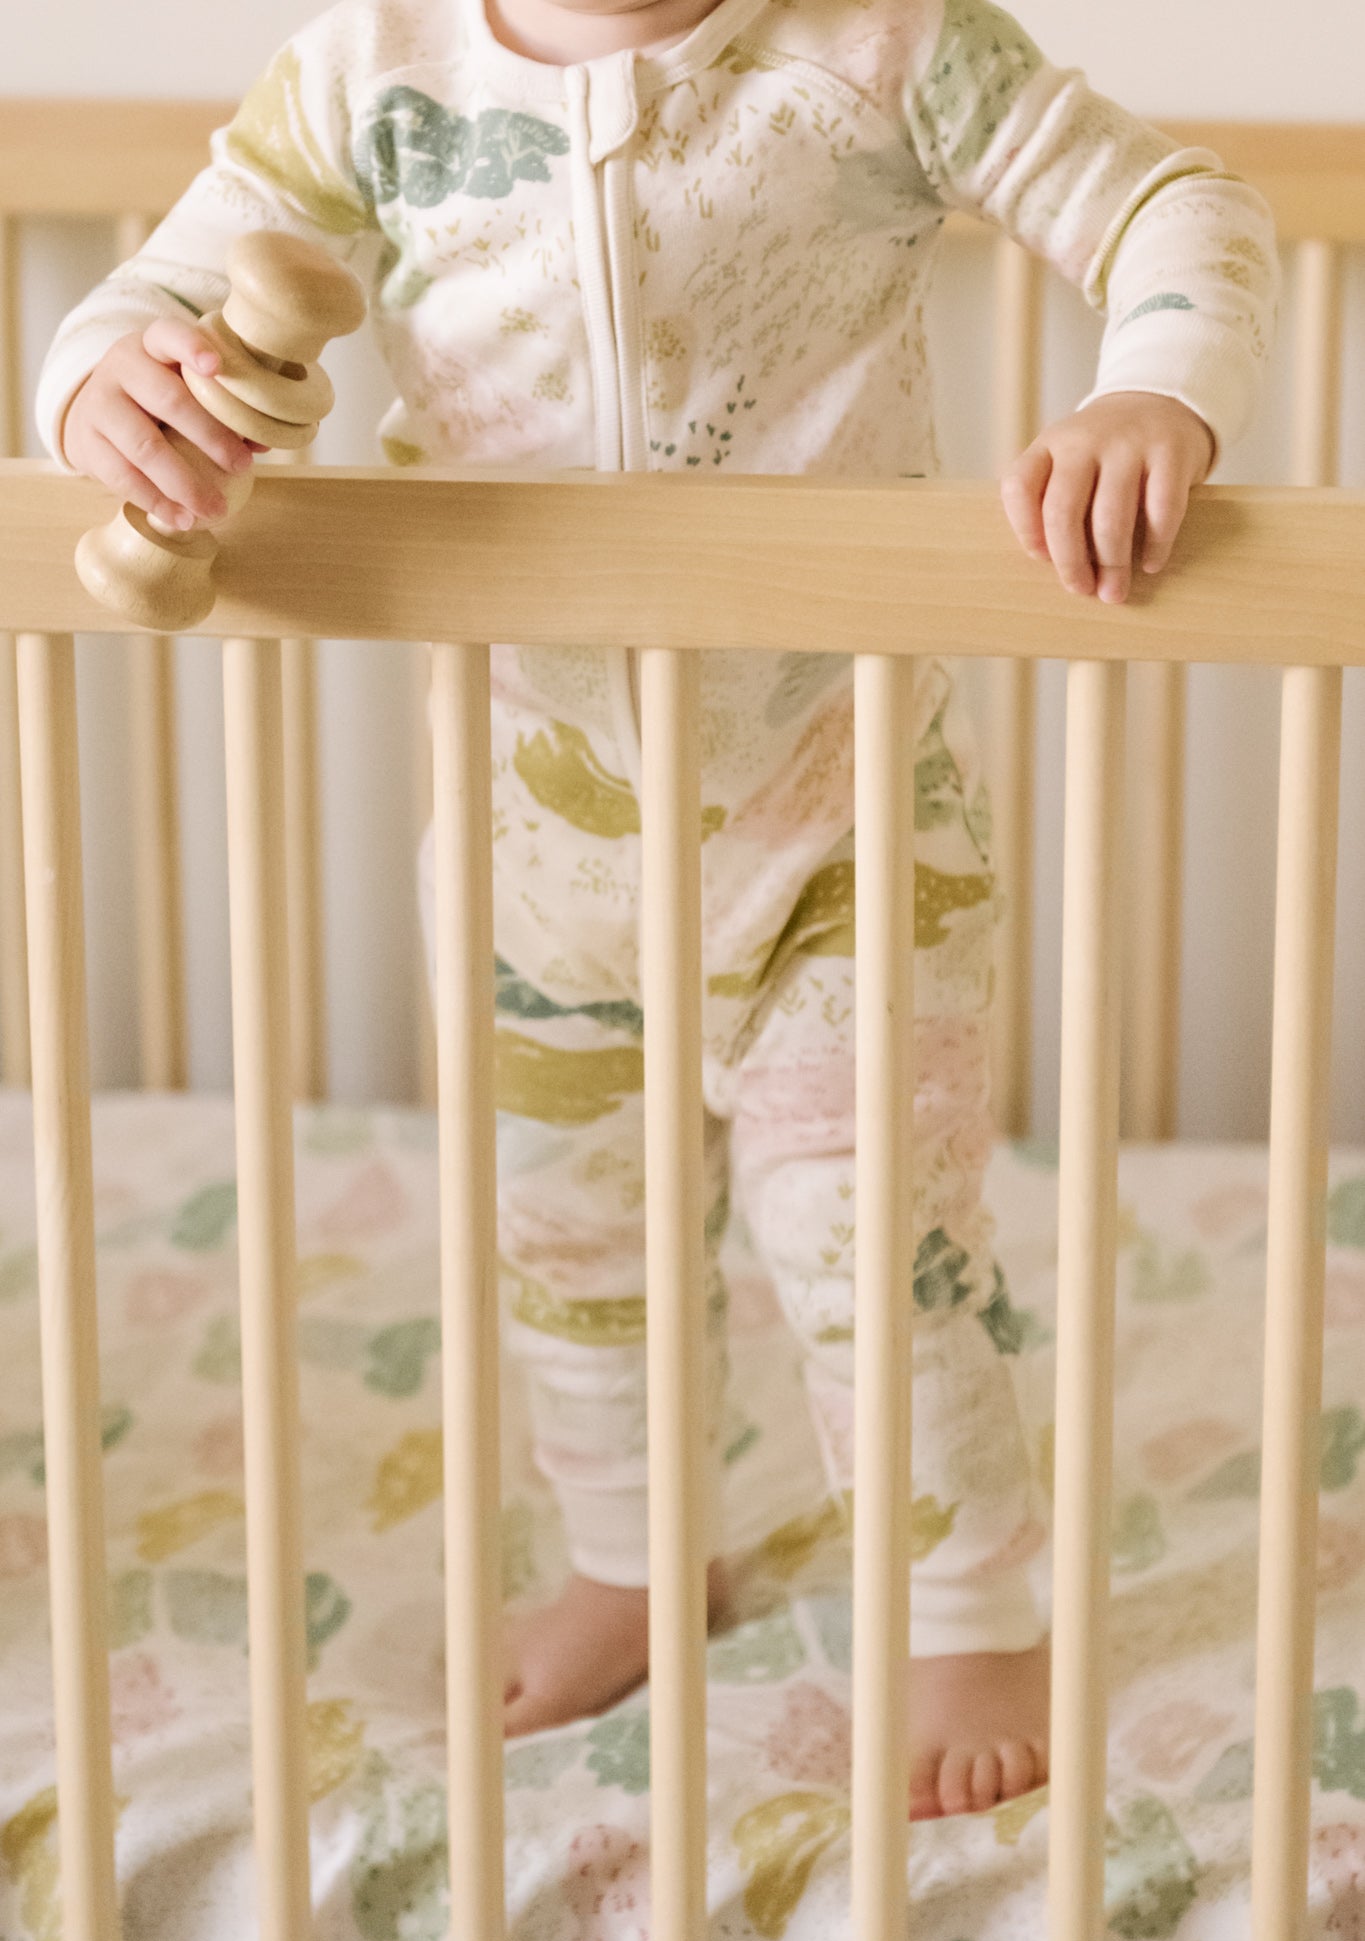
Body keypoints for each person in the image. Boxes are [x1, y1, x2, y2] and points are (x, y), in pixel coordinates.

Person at [39, 0, 1277, 1818]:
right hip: (541, 842)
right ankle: (631, 1563)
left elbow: (1179, 205)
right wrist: (106, 384)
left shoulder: (883, 47)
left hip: (841, 820)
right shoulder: (371, 76)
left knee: (872, 1242)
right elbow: (158, 291)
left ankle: (961, 1613)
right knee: (570, 1239)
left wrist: (1148, 390)